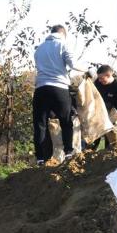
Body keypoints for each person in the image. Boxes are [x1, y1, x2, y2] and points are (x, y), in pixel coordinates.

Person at [33, 25, 86, 165]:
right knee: (66, 121)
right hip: (59, 88)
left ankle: (40, 158)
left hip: (41, 88)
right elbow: (73, 64)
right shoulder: (63, 44)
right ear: (63, 34)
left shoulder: (39, 49)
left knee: (40, 124)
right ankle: (68, 152)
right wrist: (87, 69)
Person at [90, 65, 117, 150]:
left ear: (109, 75)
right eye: (98, 78)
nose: (99, 80)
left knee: (111, 144)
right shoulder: (98, 83)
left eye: (102, 78)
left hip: (112, 116)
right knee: (93, 141)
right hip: (98, 116)